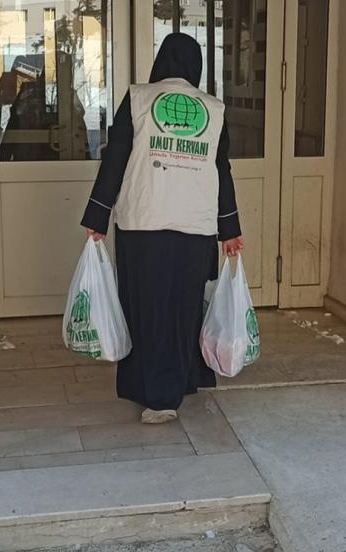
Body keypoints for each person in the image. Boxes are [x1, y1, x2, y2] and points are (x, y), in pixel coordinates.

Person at [80, 33, 244, 424]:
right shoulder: (213, 109)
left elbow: (116, 158)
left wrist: (98, 216)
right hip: (195, 228)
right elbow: (222, 170)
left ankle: (153, 391)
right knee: (183, 309)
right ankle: (176, 384)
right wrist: (230, 228)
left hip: (143, 225)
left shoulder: (138, 98)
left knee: (146, 307)